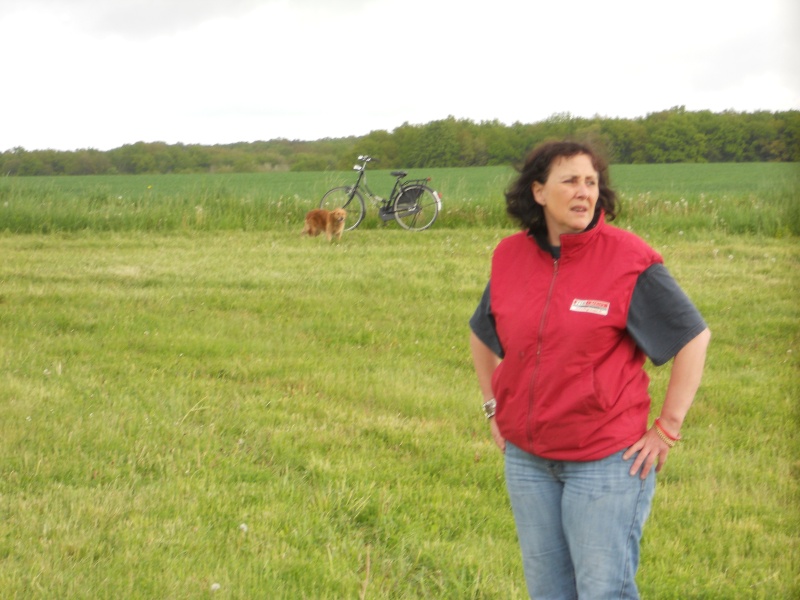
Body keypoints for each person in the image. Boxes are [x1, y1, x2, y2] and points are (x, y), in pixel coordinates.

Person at [469, 140, 710, 600]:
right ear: (538, 192)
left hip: (605, 463)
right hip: (527, 461)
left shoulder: (628, 259)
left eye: (591, 182)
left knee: (603, 591)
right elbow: (484, 332)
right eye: (570, 181)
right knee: (548, 590)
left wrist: (667, 429)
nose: (583, 192)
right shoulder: (510, 256)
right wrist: (492, 405)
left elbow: (693, 336)